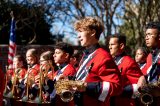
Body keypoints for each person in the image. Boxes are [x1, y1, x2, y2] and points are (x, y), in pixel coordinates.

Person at [72, 17, 121, 106]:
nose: (78, 36)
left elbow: (116, 86)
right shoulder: (85, 55)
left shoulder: (103, 56)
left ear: (93, 32)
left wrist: (87, 86)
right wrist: (69, 80)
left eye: (81, 31)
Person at [108, 34, 143, 106]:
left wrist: (118, 90)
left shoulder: (129, 62)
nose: (109, 47)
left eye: (112, 44)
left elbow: (139, 88)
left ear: (121, 46)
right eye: (109, 45)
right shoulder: (110, 61)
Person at [138, 22, 160, 106]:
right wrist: (142, 77)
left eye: (150, 34)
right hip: (152, 100)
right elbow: (148, 74)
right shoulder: (150, 56)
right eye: (146, 35)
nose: (146, 37)